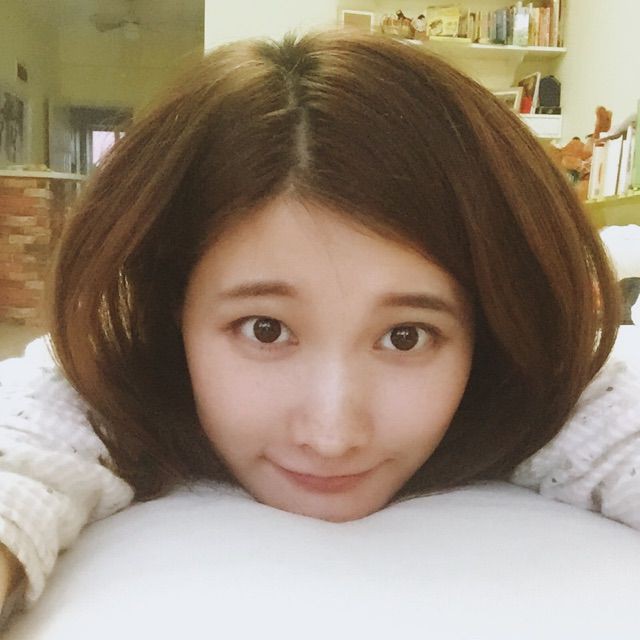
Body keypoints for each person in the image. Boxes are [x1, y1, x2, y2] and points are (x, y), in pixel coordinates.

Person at [0, 29, 638, 625]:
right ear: (172, 311)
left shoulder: (533, 380)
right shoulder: (119, 371)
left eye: (406, 336)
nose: (332, 436)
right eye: (265, 329)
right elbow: (25, 450)